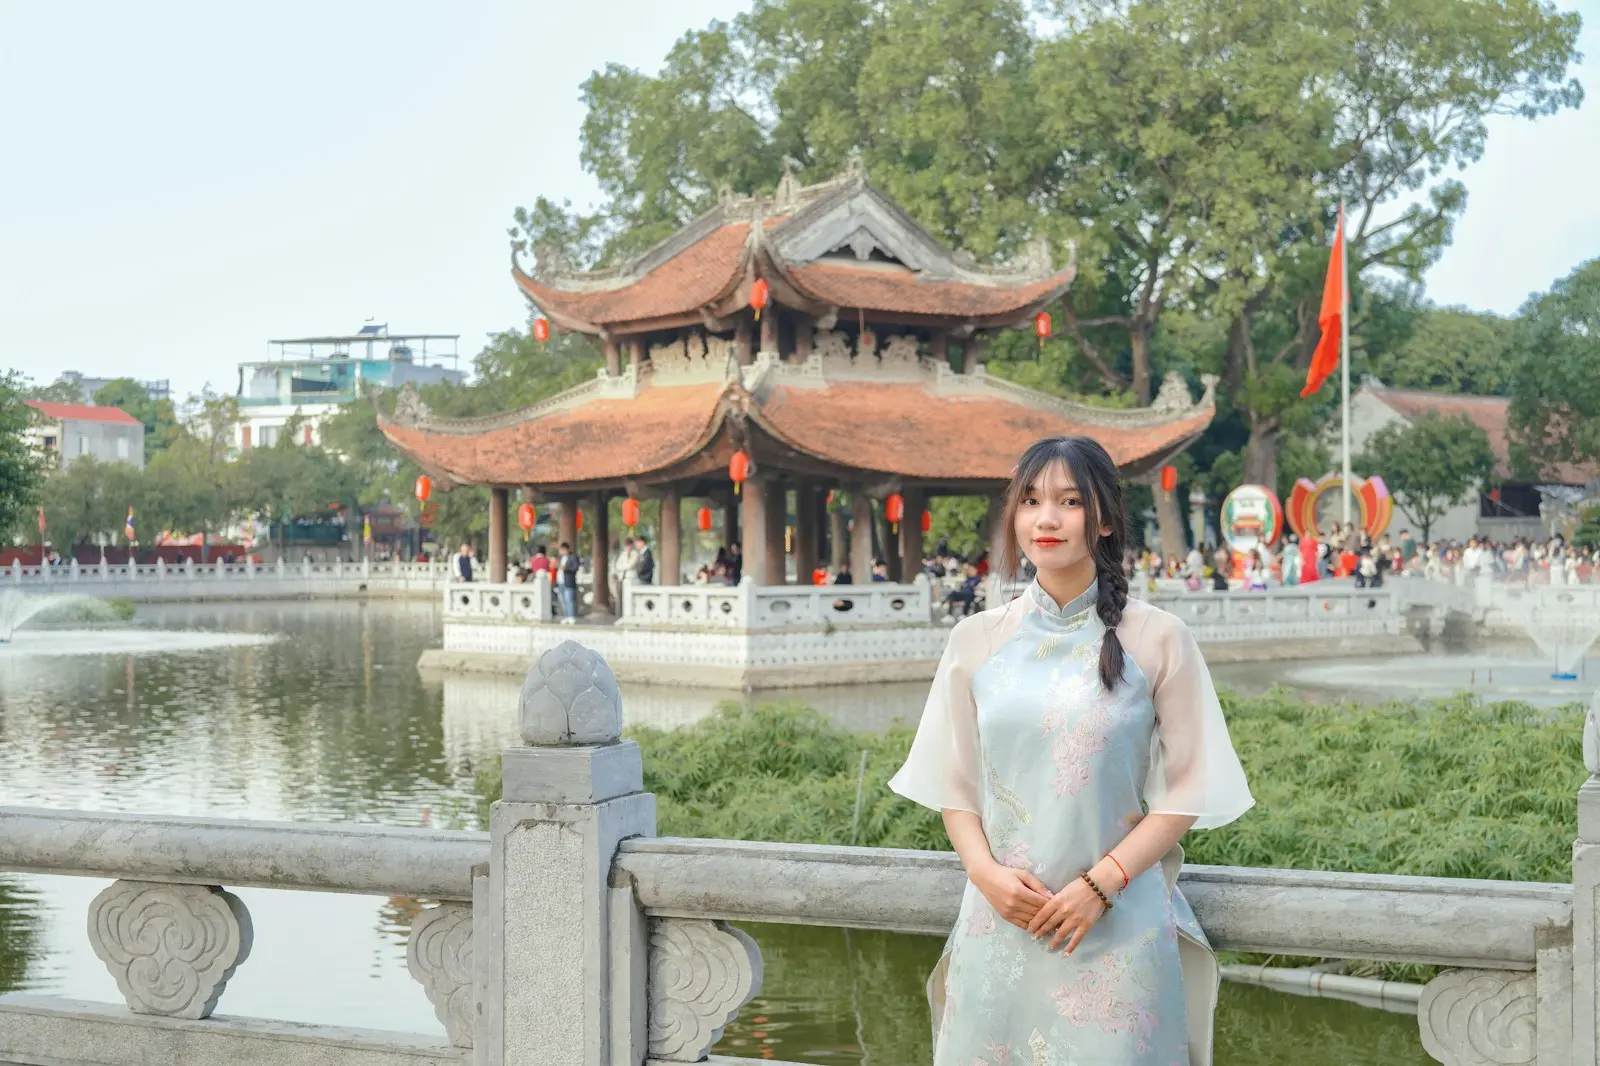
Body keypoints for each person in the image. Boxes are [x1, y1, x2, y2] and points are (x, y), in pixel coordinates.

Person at [887, 435, 1253, 1065]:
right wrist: (984, 873)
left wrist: (1101, 884)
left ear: (1104, 517)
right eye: (1030, 502)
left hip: (1116, 930)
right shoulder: (976, 640)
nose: (1046, 519)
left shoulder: (1160, 639)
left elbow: (1188, 790)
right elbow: (956, 785)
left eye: (1068, 502)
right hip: (1002, 925)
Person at [555, 541, 580, 624]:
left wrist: (566, 568)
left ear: (567, 549)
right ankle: (566, 616)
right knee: (562, 600)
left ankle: (571, 616)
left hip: (569, 581)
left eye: (563, 550)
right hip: (560, 581)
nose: (562, 551)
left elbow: (575, 568)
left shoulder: (573, 557)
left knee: (570, 599)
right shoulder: (559, 558)